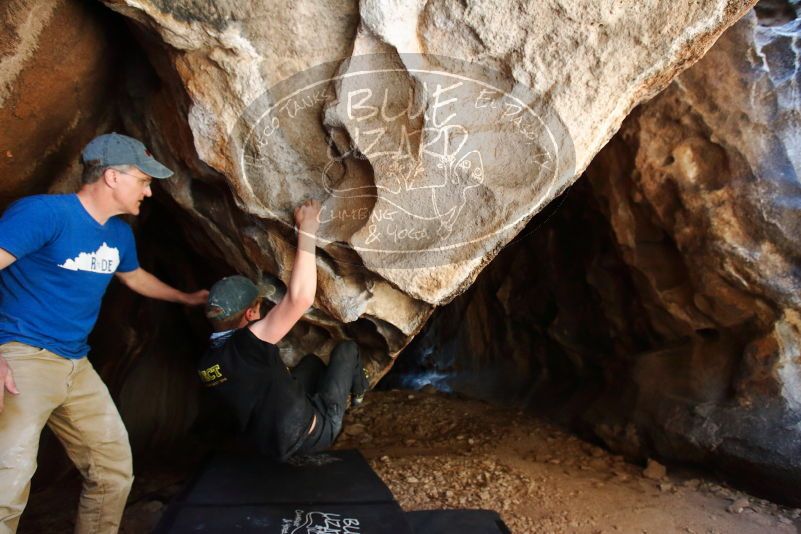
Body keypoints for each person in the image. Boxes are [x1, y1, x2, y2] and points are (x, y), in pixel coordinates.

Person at [0, 133, 208, 534]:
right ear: (112, 177)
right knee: (8, 480)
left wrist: (184, 297)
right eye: (144, 181)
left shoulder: (118, 235)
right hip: (23, 355)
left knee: (112, 469)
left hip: (76, 364)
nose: (149, 192)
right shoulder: (43, 214)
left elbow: (134, 278)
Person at [197, 199, 369, 461]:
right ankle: (359, 393)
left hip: (267, 445)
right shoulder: (249, 346)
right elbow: (300, 298)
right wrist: (307, 229)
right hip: (313, 436)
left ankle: (318, 402)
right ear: (250, 314)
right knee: (347, 350)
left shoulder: (207, 364)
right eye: (259, 305)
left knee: (311, 364)